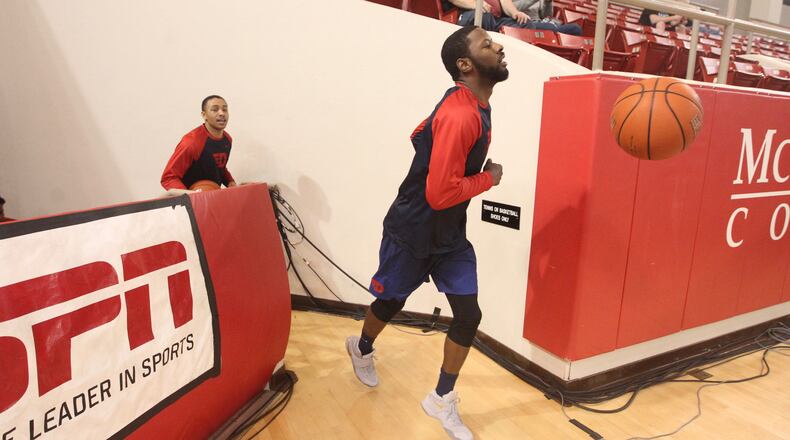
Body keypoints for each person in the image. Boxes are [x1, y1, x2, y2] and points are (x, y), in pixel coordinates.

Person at [345, 26, 506, 440]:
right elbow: (439, 194)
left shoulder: (471, 105)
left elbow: (419, 133)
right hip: (413, 230)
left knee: (468, 316)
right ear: (465, 65)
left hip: (449, 235)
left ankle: (440, 399)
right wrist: (488, 179)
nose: (499, 45)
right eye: (487, 44)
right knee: (391, 301)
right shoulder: (461, 113)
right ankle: (361, 347)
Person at [161, 95, 237, 191]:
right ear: (204, 115)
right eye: (215, 109)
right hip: (191, 199)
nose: (221, 113)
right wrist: (190, 196)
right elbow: (168, 178)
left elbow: (219, 167)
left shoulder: (227, 140)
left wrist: (230, 182)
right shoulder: (191, 142)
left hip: (213, 196)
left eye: (225, 109)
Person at [445, 0, 581, 36]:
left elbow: (505, 2)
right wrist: (474, 4)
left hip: (496, 18)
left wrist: (515, 13)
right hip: (467, 14)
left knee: (525, 23)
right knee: (483, 18)